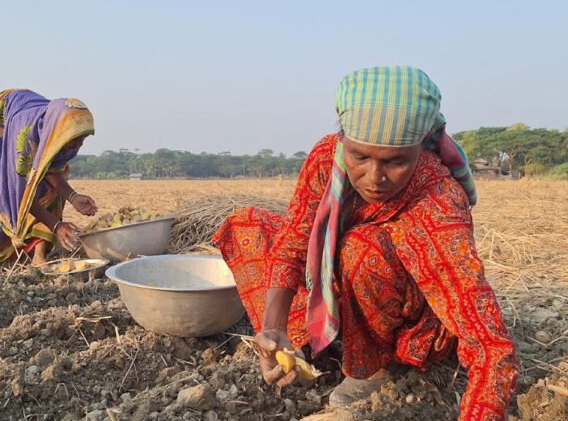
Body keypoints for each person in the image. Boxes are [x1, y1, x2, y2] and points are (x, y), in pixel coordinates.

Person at [213, 66, 518, 420]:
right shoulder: (327, 156)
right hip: (344, 292)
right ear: (343, 139)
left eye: (395, 162)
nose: (374, 178)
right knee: (247, 225)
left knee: (361, 248)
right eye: (359, 157)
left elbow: (491, 345)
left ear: (420, 148)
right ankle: (311, 342)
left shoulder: (437, 197)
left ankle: (373, 368)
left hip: (410, 319)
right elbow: (293, 242)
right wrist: (273, 327)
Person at [0, 89, 98, 271]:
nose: (78, 144)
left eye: (83, 138)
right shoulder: (25, 136)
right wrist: (56, 226)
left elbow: (51, 170)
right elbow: (20, 194)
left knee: (50, 192)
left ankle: (39, 256)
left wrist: (73, 196)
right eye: (75, 138)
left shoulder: (64, 133)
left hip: (23, 115)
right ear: (57, 128)